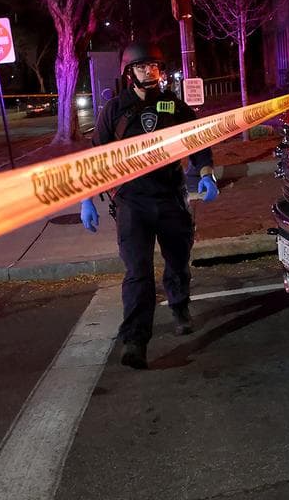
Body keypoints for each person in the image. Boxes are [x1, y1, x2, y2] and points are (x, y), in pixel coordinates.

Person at [80, 42, 220, 370]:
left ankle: (179, 305)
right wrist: (86, 197)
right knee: (138, 273)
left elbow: (198, 139)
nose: (150, 72)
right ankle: (135, 340)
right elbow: (94, 156)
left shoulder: (173, 105)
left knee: (177, 261)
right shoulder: (114, 110)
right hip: (132, 203)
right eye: (143, 67)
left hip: (171, 198)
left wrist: (206, 173)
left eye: (154, 66)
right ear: (129, 73)